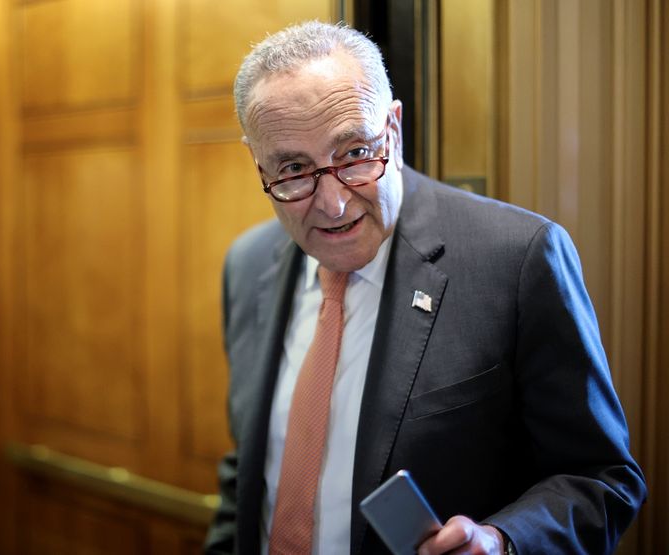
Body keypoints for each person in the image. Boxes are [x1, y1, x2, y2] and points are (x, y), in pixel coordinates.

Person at [204, 21, 646, 555]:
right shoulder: (247, 265)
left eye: (354, 154)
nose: (333, 205)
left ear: (393, 128)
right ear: (258, 162)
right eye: (294, 169)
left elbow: (601, 479)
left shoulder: (517, 259)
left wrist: (502, 541)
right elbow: (251, 474)